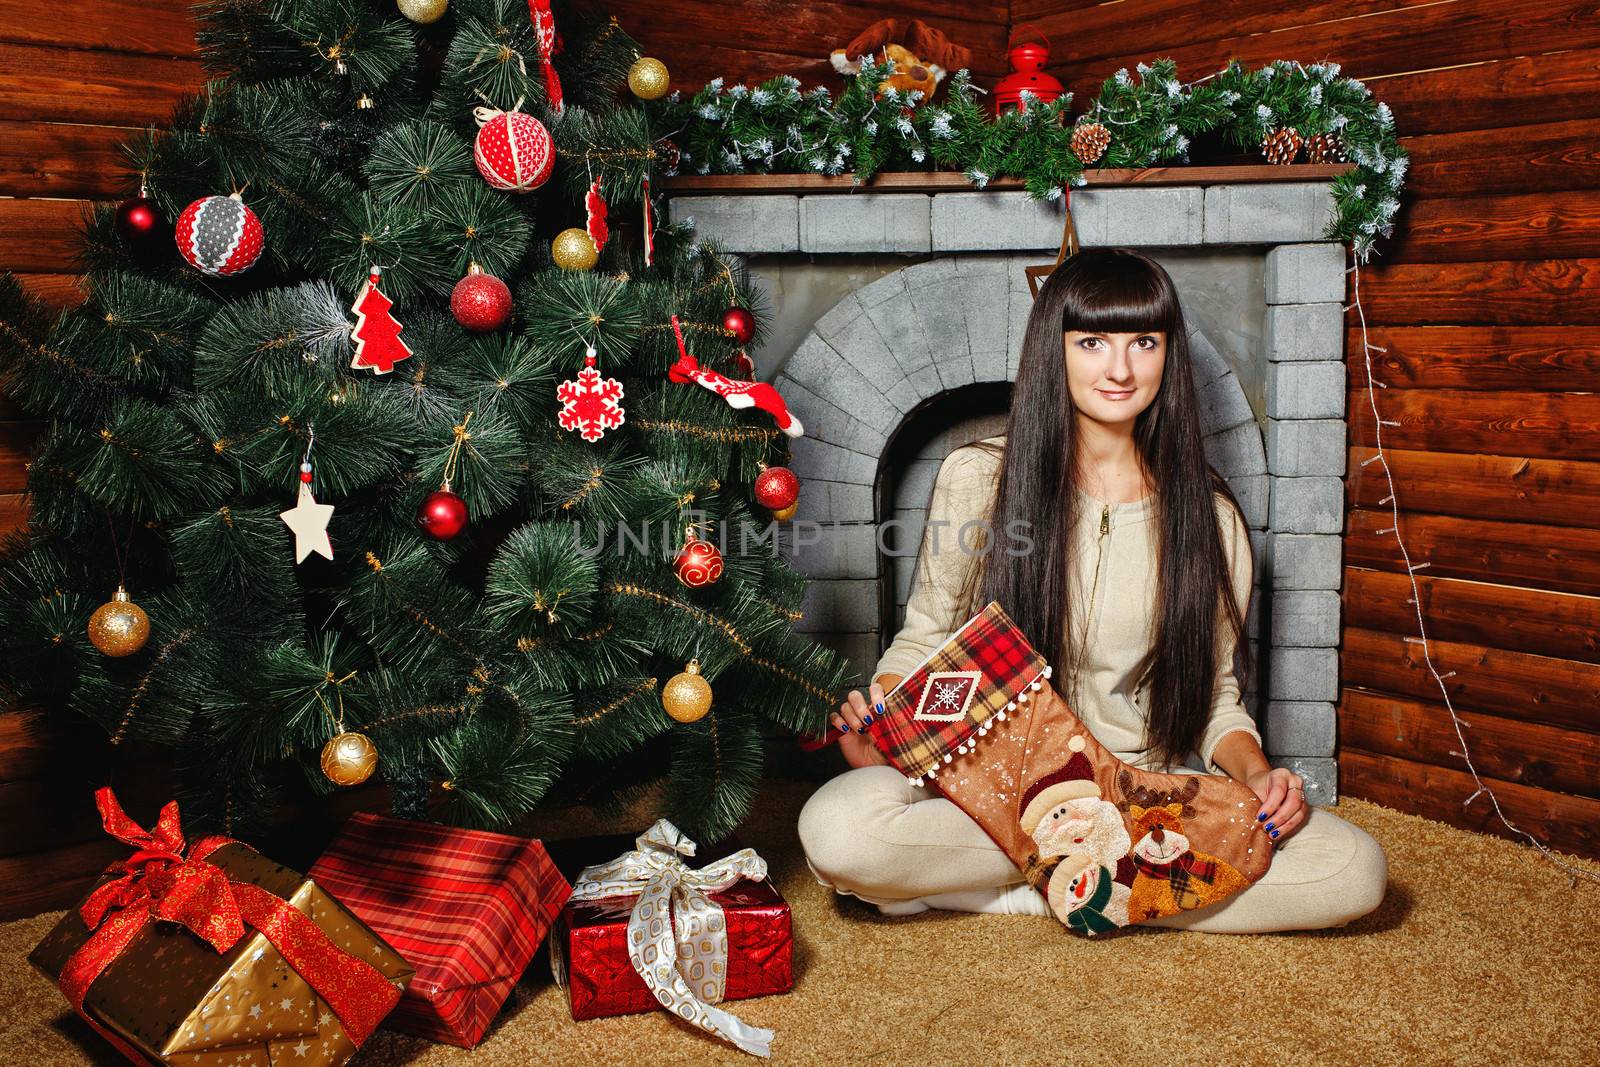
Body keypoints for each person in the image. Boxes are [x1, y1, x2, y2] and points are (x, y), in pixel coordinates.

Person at [797, 248, 1388, 933]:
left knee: (1352, 866)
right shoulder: (976, 480)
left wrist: (1257, 774)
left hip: (1138, 797)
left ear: (1168, 354)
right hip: (993, 782)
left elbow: (1215, 701)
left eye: (1144, 341)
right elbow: (926, 635)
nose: (1120, 368)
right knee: (840, 826)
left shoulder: (1212, 519)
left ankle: (1028, 890)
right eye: (1092, 342)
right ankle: (1121, 887)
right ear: (1057, 350)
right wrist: (886, 712)